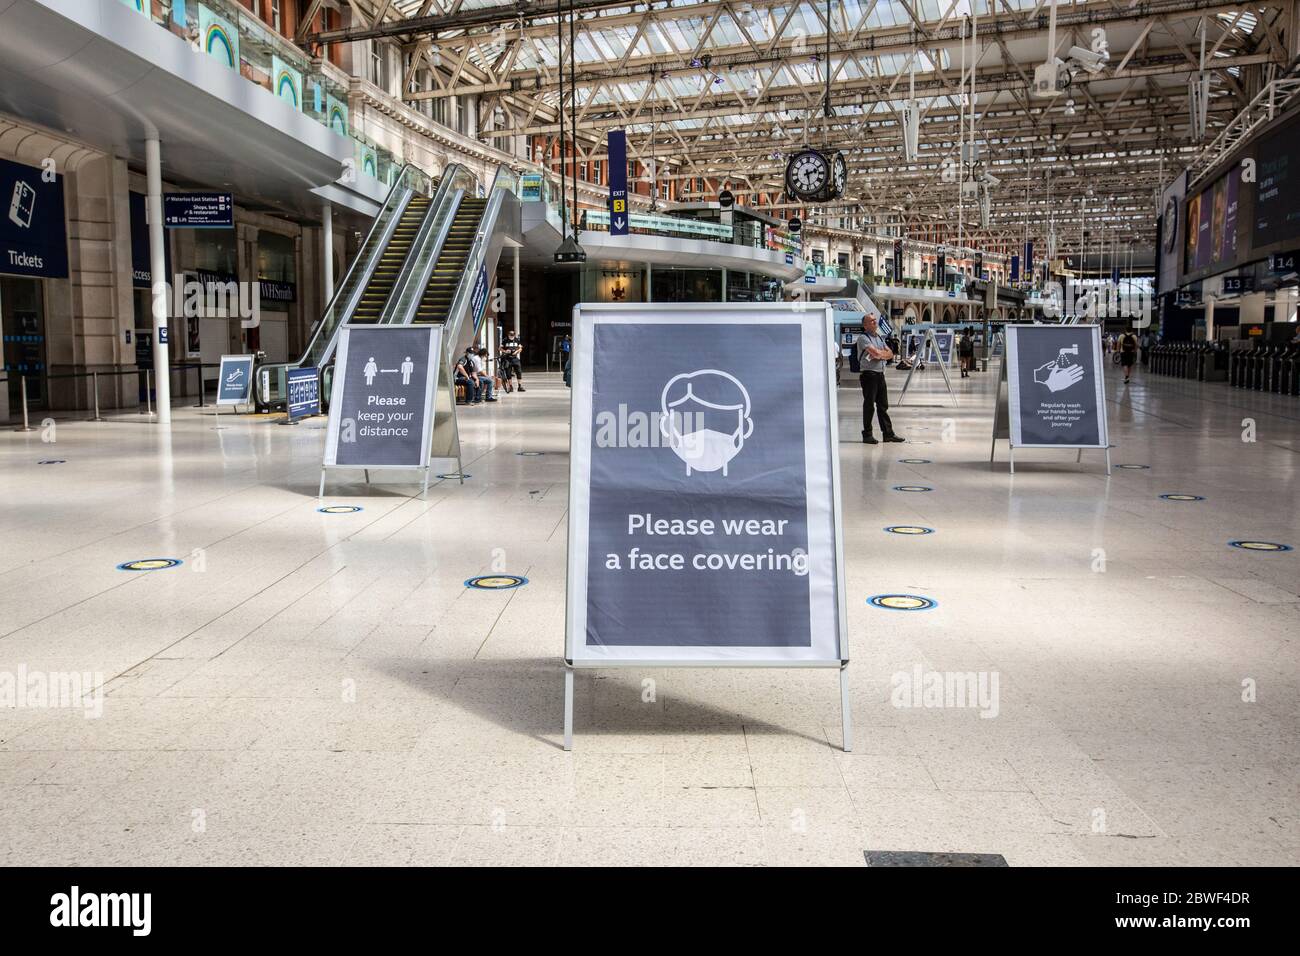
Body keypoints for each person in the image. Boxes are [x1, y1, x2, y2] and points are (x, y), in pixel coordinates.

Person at [854, 314, 905, 445]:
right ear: (865, 325)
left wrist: (880, 354)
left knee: (883, 406)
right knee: (869, 405)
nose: (875, 322)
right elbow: (875, 353)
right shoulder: (863, 338)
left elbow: (890, 354)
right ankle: (867, 434)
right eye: (871, 321)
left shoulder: (879, 338)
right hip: (869, 375)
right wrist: (881, 354)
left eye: (875, 320)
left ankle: (888, 434)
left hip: (880, 374)